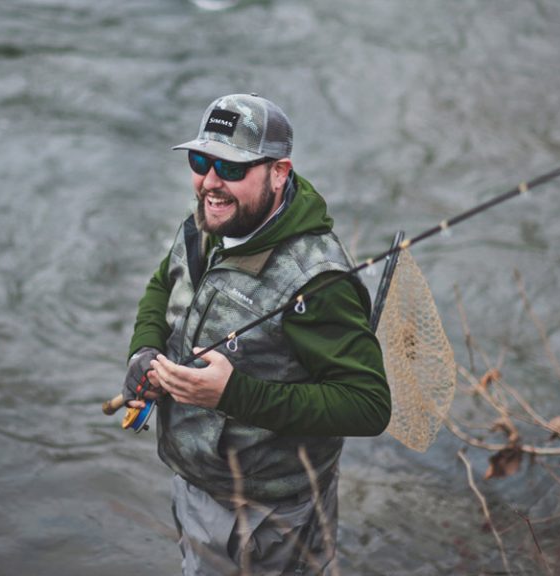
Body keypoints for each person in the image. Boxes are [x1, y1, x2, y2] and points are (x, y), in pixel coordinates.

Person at [121, 93, 390, 575]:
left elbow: (368, 405)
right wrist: (144, 349)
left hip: (271, 516)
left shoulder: (319, 281)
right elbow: (164, 283)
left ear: (279, 172)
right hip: (196, 480)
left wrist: (234, 394)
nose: (210, 182)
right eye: (201, 161)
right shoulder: (209, 220)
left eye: (231, 168)